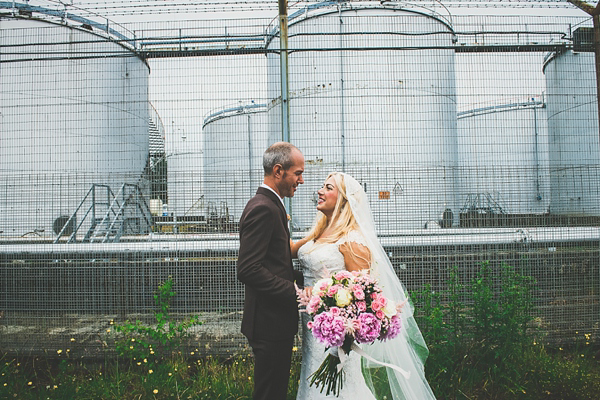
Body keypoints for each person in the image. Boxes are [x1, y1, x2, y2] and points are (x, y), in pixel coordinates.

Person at [292, 172, 436, 399]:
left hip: (336, 337)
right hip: (312, 333)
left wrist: (321, 297)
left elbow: (362, 297)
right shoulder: (319, 233)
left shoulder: (352, 241)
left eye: (328, 188)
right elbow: (288, 249)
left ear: (344, 201)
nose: (320, 191)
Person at [237, 141, 305, 400]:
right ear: (278, 171)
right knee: (269, 393)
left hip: (274, 322)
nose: (300, 180)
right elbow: (248, 268)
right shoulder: (264, 207)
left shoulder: (271, 205)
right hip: (268, 323)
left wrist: (308, 279)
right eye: (297, 173)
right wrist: (296, 291)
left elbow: (274, 262)